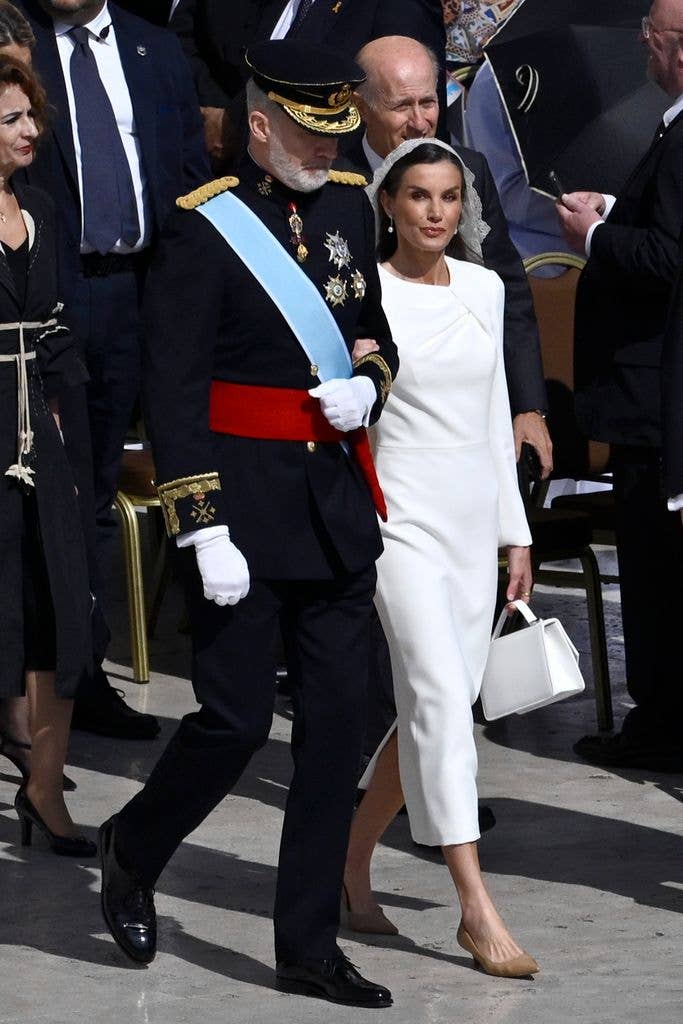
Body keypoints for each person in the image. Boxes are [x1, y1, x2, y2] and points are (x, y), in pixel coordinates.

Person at [98, 40, 398, 1007]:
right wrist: (201, 524)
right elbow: (175, 393)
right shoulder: (200, 229)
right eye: (309, 136)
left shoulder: (351, 201)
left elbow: (373, 333)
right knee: (230, 723)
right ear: (259, 125)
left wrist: (368, 383)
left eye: (334, 136)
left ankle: (306, 945)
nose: (325, 153)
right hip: (240, 508)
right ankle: (133, 846)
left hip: (333, 507)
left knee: (336, 731)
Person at [342, 138, 538, 979]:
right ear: (388, 204)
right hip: (398, 523)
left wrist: (515, 528)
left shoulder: (487, 289)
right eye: (418, 195)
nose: (434, 212)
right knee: (436, 700)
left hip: (469, 522)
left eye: (449, 196)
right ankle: (474, 906)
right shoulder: (363, 294)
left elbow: (496, 416)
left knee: (440, 705)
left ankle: (345, 869)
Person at [13, 0, 209, 740]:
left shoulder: (154, 51)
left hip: (134, 295)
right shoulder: (17, 39)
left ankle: (78, 678)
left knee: (92, 492)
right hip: (38, 294)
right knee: (35, 489)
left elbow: (187, 180)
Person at [557, 0, 683, 772]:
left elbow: (670, 260)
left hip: (652, 399)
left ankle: (661, 724)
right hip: (649, 391)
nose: (644, 46)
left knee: (654, 577)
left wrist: (594, 236)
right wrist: (613, 211)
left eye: (656, 35)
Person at [0, 54, 95, 856]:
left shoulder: (42, 209)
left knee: (59, 609)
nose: (31, 131)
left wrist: (72, 439)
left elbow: (60, 327)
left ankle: (44, 787)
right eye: (11, 120)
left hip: (44, 433)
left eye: (31, 116)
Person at [170, 0, 447, 170]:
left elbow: (407, 114)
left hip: (334, 193)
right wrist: (219, 118)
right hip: (237, 175)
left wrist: (234, 123)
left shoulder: (400, 6)